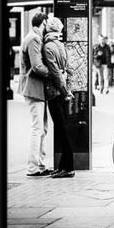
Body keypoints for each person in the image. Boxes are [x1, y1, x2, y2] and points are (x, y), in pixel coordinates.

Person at [18, 12, 52, 177]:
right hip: (34, 89)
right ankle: (33, 168)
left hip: (36, 89)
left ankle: (40, 165)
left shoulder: (32, 37)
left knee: (42, 128)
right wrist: (53, 73)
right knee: (37, 128)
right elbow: (37, 66)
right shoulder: (34, 39)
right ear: (43, 22)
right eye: (47, 24)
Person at [42, 17, 75, 178]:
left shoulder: (48, 46)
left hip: (55, 94)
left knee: (62, 131)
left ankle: (68, 167)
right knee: (63, 129)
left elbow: (55, 73)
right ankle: (63, 165)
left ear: (49, 29)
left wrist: (63, 90)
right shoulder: (61, 46)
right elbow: (69, 70)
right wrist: (68, 90)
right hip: (63, 93)